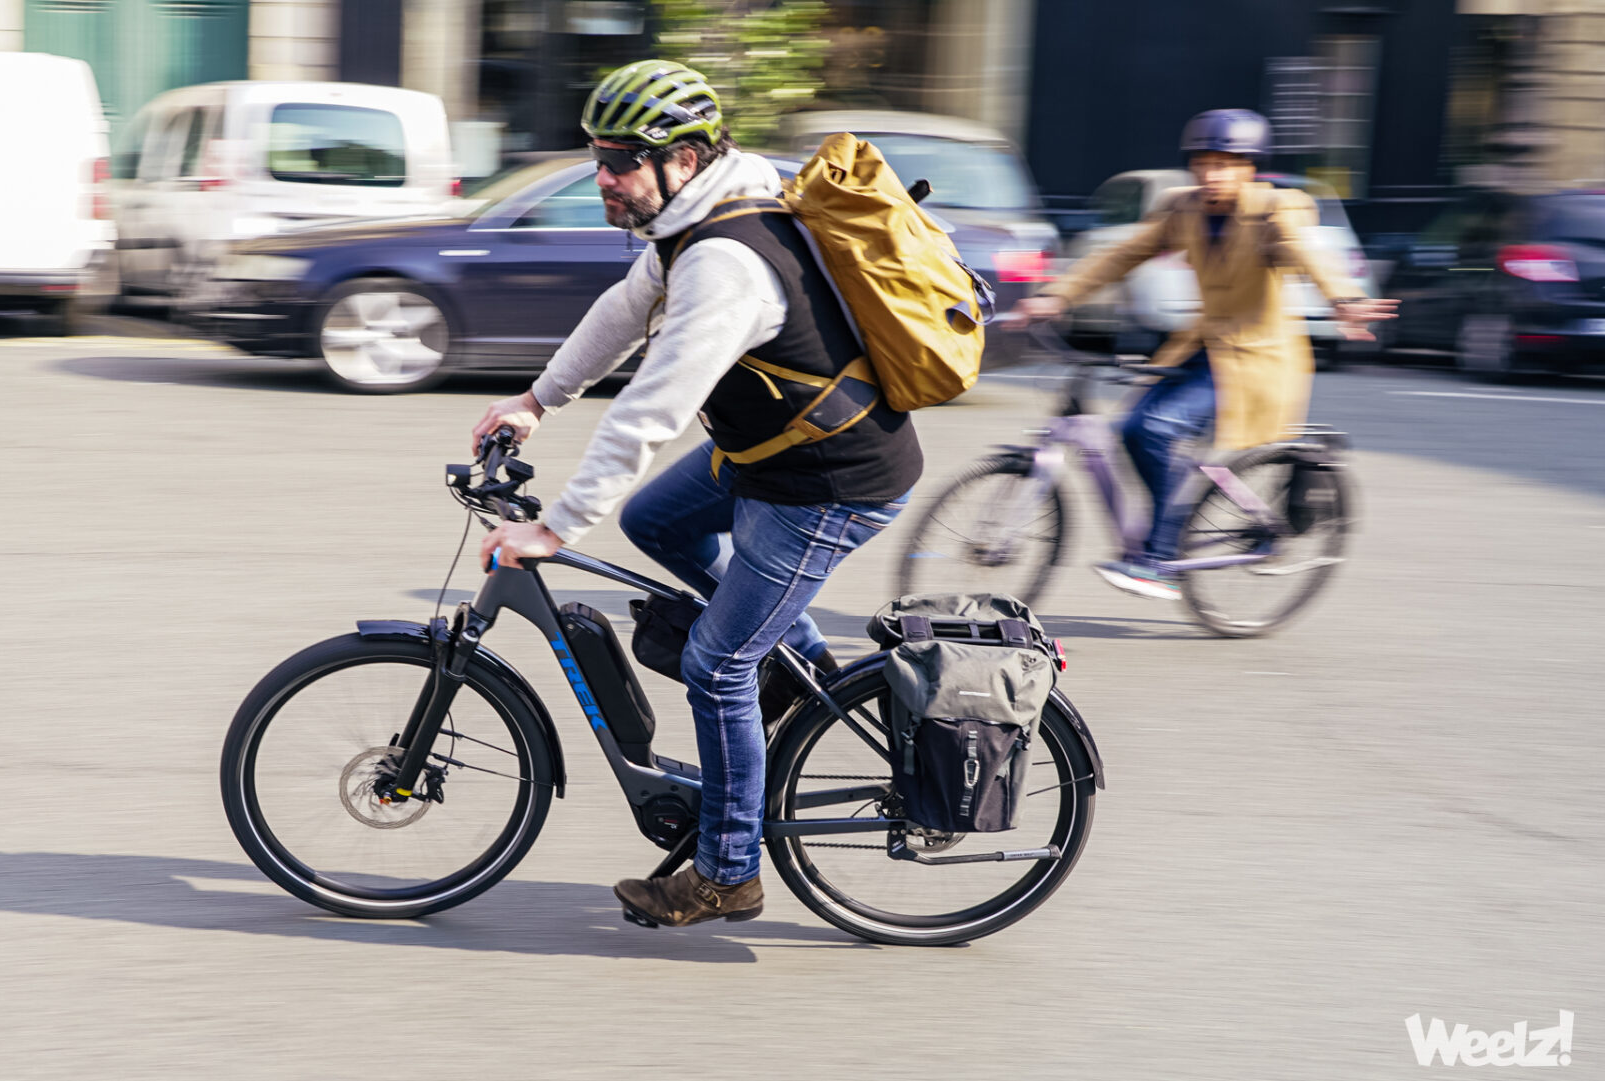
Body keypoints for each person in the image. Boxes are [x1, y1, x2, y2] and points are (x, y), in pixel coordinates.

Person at [469, 59, 921, 927]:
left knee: (718, 666)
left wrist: (557, 528)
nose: (603, 176)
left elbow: (655, 405)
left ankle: (727, 871)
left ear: (680, 156)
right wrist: (536, 400)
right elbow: (622, 309)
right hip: (767, 452)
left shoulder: (725, 262)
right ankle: (796, 662)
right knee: (655, 520)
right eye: (599, 156)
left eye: (621, 160)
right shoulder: (695, 218)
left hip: (827, 482)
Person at [1008, 108, 1396, 599]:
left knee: (1157, 427)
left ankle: (1163, 556)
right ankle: (1165, 530)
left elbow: (1307, 252)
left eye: (1227, 163)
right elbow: (1122, 254)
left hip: (1257, 357)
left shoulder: (1278, 210)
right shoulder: (1183, 208)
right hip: (1202, 346)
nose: (1213, 174)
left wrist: (1345, 299)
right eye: (1204, 163)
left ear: (1250, 167)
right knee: (1129, 429)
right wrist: (1057, 296)